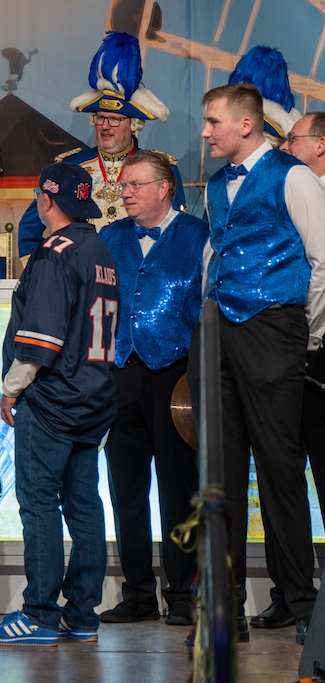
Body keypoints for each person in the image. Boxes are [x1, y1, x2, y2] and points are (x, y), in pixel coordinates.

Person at [195, 82, 325, 645]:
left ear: (246, 124)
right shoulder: (217, 187)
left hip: (274, 328)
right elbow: (216, 253)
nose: (204, 132)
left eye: (213, 122)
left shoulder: (293, 175)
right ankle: (224, 610)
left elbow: (322, 260)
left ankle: (302, 604)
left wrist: (304, 333)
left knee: (279, 469)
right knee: (220, 476)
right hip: (220, 332)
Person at [0, 162, 118, 646]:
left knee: (39, 503)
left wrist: (12, 387)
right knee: (84, 504)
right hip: (94, 396)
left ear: (45, 200)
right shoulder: (99, 247)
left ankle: (38, 614)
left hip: (53, 398)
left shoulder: (54, 253)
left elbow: (40, 338)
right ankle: (82, 613)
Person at [97, 151, 207, 627]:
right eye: (123, 186)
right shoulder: (109, 237)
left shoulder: (200, 236)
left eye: (136, 185)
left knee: (178, 486)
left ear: (164, 188)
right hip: (120, 373)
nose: (125, 192)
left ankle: (182, 593)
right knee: (124, 486)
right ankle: (138, 592)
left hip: (176, 375)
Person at [17, 31, 185, 261]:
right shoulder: (70, 166)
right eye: (100, 118)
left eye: (115, 119)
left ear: (134, 124)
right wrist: (43, 275)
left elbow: (178, 232)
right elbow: (29, 233)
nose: (105, 126)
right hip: (82, 284)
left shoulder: (162, 169)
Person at [254, 110, 325, 633]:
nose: (285, 144)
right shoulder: (278, 192)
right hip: (282, 353)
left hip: (314, 350)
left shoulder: (305, 190)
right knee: (280, 476)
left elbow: (322, 268)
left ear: (320, 145)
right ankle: (291, 591)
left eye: (294, 137)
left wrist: (310, 334)